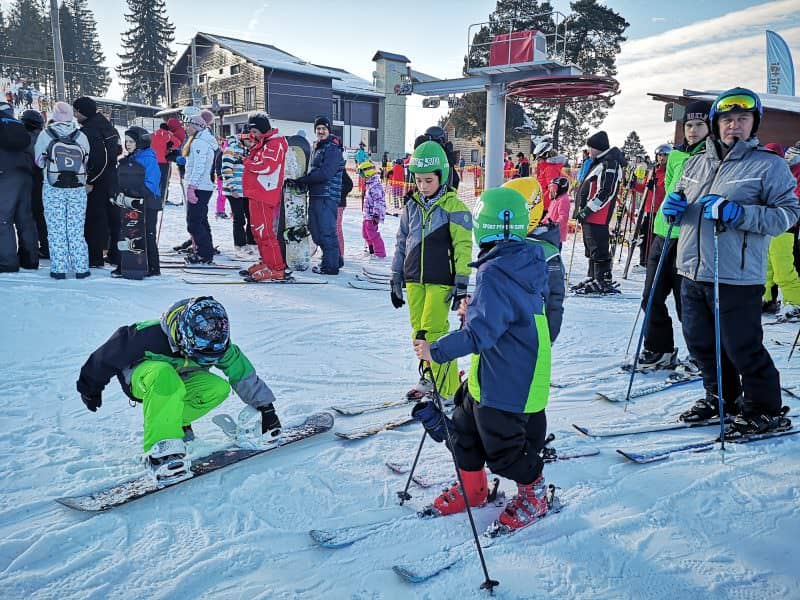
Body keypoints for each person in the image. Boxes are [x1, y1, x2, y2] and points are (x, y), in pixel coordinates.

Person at [411, 187, 552, 531]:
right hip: (489, 374)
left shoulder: (496, 271)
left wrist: (435, 350)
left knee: (504, 452)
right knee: (463, 429)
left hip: (508, 383)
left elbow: (479, 335)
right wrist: (473, 310)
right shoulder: (517, 261)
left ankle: (535, 493)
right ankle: (474, 489)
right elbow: (498, 317)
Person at [663, 87, 799, 435]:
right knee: (701, 343)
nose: (734, 126)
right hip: (691, 269)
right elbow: (682, 202)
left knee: (742, 346)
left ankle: (765, 408)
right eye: (727, 119)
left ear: (754, 124)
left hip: (735, 274)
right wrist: (673, 210)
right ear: (716, 123)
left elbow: (787, 215)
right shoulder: (695, 162)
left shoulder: (769, 166)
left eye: (742, 119)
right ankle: (720, 396)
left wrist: (739, 213)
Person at [75, 296, 283, 485]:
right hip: (145, 377)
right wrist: (89, 389)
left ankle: (178, 426)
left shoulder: (216, 341)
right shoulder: (146, 335)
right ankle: (160, 452)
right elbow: (103, 358)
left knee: (217, 388)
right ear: (184, 337)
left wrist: (266, 408)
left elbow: (242, 373)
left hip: (182, 376)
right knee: (165, 376)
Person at [391, 141, 472, 400]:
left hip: (441, 280)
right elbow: (401, 242)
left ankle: (448, 391)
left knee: (435, 332)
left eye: (428, 180)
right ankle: (430, 376)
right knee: (419, 332)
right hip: (415, 278)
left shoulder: (454, 207)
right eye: (418, 180)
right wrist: (396, 275)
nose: (423, 186)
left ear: (442, 177)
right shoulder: (411, 206)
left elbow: (463, 246)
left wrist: (461, 282)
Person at [637, 101, 711, 371]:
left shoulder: (713, 157)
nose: (692, 130)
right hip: (663, 232)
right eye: (689, 125)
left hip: (691, 238)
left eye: (699, 125)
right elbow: (670, 187)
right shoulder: (676, 155)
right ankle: (660, 349)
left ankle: (701, 356)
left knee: (688, 303)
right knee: (651, 296)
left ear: (710, 126)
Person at [33, 101, 91, 278]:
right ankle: (81, 268)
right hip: (77, 187)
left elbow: (38, 161)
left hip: (53, 187)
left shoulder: (45, 134)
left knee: (56, 228)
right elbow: (86, 160)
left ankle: (59, 269)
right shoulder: (80, 136)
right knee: (75, 228)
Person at [573, 131, 625, 294]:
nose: (588, 151)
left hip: (597, 215)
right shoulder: (598, 162)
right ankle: (593, 275)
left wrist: (588, 210)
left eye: (590, 147)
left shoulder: (610, 163)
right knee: (591, 247)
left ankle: (603, 278)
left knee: (598, 246)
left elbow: (606, 192)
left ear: (598, 147)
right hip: (589, 215)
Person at [290, 116, 344, 275]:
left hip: (327, 195)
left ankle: (330, 266)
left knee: (326, 230)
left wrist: (304, 180)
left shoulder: (332, 149)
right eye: (318, 129)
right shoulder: (319, 148)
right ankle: (336, 258)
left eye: (324, 129)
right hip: (316, 195)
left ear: (329, 131)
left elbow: (326, 173)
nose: (321, 131)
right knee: (315, 229)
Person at [73, 96, 121, 269]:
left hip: (98, 181)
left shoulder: (89, 131)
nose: (75, 115)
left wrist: (91, 180)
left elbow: (100, 159)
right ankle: (116, 254)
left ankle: (95, 257)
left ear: (83, 112)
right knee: (113, 219)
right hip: (112, 179)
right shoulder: (107, 125)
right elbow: (118, 149)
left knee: (95, 220)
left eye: (76, 111)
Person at [241, 112, 289, 281]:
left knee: (264, 232)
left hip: (264, 192)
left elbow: (267, 166)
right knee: (257, 231)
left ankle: (276, 267)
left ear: (261, 129)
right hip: (256, 192)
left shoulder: (275, 143)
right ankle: (267, 262)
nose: (251, 135)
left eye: (254, 131)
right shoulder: (264, 142)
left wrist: (246, 162)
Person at [113, 126, 162, 278]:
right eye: (126, 141)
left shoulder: (148, 158)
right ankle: (128, 264)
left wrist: (139, 194)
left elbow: (152, 182)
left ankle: (153, 267)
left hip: (148, 202)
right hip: (131, 202)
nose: (127, 144)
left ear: (140, 142)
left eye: (131, 141)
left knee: (147, 234)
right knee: (128, 233)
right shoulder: (131, 159)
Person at [760, 142, 800, 320]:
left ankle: (795, 302)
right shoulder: (773, 171)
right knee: (766, 265)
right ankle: (766, 298)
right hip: (768, 224)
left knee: (782, 265)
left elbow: (794, 197)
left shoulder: (793, 171)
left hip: (785, 225)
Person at [0, 101, 39, 272]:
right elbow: (32, 152)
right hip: (25, 174)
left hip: (5, 173)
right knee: (25, 218)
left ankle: (7, 262)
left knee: (3, 219)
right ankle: (30, 260)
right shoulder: (19, 127)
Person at [182, 113, 219, 265]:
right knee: (201, 220)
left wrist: (192, 186)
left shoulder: (200, 143)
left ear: (196, 126)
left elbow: (199, 166)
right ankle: (205, 252)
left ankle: (204, 254)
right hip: (203, 186)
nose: (186, 128)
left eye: (188, 125)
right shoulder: (201, 140)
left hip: (199, 186)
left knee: (194, 222)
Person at [221, 133, 256, 258]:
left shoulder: (248, 150)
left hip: (246, 191)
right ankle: (239, 245)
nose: (252, 142)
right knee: (239, 218)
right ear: (243, 138)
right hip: (234, 191)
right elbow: (225, 170)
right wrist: (232, 188)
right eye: (250, 140)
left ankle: (251, 242)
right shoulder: (231, 150)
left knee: (251, 217)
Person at [21, 109, 48, 259]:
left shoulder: (24, 138)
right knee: (40, 215)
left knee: (30, 215)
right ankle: (45, 245)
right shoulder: (42, 137)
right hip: (41, 179)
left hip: (28, 178)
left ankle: (33, 247)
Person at [638, 145, 671, 268]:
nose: (661, 158)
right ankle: (643, 261)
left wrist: (656, 187)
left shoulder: (669, 172)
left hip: (660, 211)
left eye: (664, 155)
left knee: (654, 238)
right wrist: (634, 185)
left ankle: (652, 262)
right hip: (649, 210)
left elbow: (668, 190)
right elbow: (645, 189)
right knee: (644, 236)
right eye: (659, 155)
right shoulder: (652, 171)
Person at [359, 161, 386, 259]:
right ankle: (372, 251)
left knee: (373, 234)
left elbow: (378, 201)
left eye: (362, 173)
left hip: (373, 215)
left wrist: (376, 215)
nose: (361, 176)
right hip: (367, 214)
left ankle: (379, 253)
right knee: (365, 233)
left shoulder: (375, 186)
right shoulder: (369, 184)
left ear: (367, 172)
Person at [150, 122, 179, 204]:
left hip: (153, 162)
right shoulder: (169, 136)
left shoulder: (152, 135)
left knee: (153, 180)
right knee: (164, 182)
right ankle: (162, 199)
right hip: (164, 162)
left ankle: (152, 197)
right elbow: (177, 144)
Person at [543, 176, 571, 245]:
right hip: (550, 231)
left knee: (555, 250)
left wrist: (555, 225)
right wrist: (542, 222)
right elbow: (549, 214)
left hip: (557, 234)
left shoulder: (563, 200)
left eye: (554, 189)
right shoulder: (555, 199)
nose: (552, 191)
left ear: (561, 189)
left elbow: (563, 217)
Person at [338, 164, 353, 262]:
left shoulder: (339, 168)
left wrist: (339, 193)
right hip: (329, 203)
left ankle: (339, 254)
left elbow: (349, 185)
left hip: (338, 203)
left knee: (336, 228)